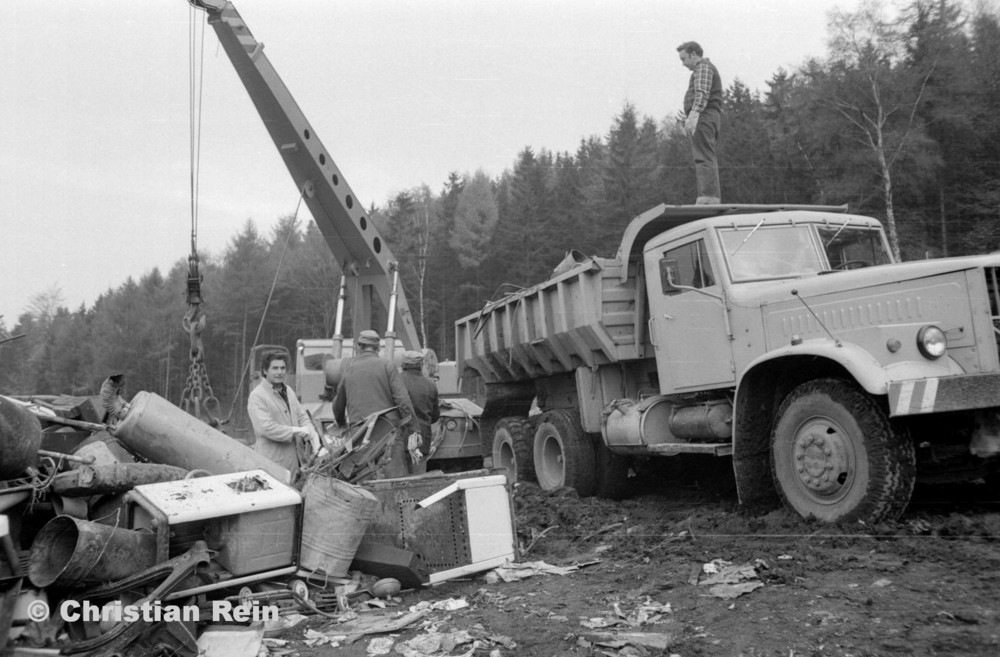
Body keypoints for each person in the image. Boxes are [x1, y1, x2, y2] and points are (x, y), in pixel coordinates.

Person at [333, 330, 414, 477]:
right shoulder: (387, 366)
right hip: (388, 433)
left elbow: (337, 406)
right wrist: (413, 428)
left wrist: (341, 422)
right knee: (395, 482)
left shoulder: (348, 370)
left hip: (360, 436)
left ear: (359, 347)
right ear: (378, 348)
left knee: (364, 483)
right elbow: (403, 400)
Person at [248, 351, 319, 477]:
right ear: (265, 371)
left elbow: (301, 416)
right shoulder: (257, 396)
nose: (280, 372)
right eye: (275, 368)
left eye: (283, 368)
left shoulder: (289, 391)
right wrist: (297, 431)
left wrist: (311, 432)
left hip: (295, 461)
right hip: (271, 462)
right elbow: (266, 428)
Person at [677, 41, 722, 205]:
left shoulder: (703, 67)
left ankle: (708, 198)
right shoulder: (703, 68)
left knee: (704, 157)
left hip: (704, 116)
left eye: (684, 59)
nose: (683, 64)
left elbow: (702, 93)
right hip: (706, 116)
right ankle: (709, 196)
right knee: (704, 156)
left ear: (693, 54)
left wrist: (693, 116)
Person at [399, 350, 440, 475]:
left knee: (397, 483)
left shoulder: (395, 382)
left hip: (399, 442)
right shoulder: (431, 385)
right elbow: (434, 417)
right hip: (420, 442)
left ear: (403, 365)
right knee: (418, 481)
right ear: (421, 365)